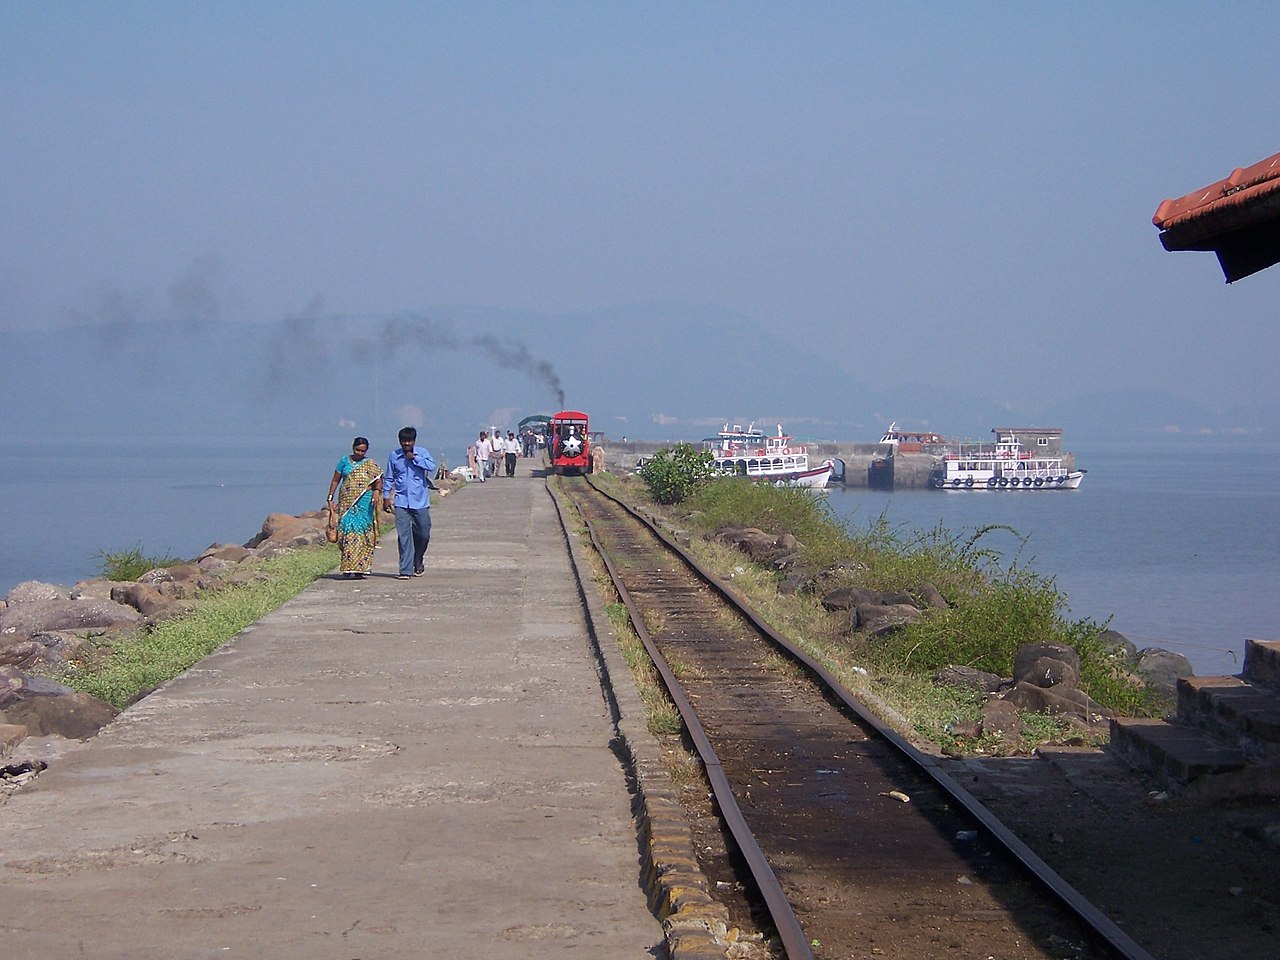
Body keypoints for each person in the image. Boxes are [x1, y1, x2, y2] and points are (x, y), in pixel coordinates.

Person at [382, 426, 436, 579]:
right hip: (401, 501)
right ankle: (405, 569)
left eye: (409, 441)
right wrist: (386, 497)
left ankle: (418, 558)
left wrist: (415, 458)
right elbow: (389, 477)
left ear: (414, 441)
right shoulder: (394, 456)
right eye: (403, 441)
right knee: (404, 536)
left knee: (423, 533)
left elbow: (431, 466)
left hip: (420, 501)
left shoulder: (422, 453)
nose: (406, 444)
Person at [326, 436, 383, 579]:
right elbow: (335, 480)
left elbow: (378, 481)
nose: (360, 453)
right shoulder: (344, 461)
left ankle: (360, 569)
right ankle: (348, 567)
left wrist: (376, 492)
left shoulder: (370, 465)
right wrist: (330, 497)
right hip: (347, 501)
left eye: (363, 451)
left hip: (365, 502)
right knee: (348, 533)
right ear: (353, 448)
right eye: (357, 450)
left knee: (363, 533)